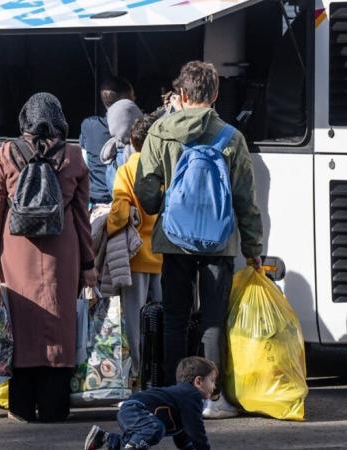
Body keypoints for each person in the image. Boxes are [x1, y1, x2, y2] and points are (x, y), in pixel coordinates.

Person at [134, 61, 263, 418]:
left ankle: (177, 395)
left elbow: (145, 191)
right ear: (216, 94)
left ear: (183, 94)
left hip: (174, 241)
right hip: (219, 244)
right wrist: (254, 250)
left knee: (175, 318)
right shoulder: (231, 137)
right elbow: (245, 201)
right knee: (211, 320)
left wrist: (166, 204)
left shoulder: (159, 132)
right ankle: (211, 399)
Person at [0, 92, 96, 422]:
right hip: (64, 253)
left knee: (20, 325)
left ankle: (21, 407)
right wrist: (88, 265)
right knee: (60, 325)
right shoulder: (73, 156)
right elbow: (81, 218)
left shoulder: (6, 153)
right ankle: (55, 406)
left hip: (16, 252)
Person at [106, 114, 163, 385]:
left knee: (134, 321)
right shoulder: (166, 167)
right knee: (162, 318)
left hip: (137, 257)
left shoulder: (126, 170)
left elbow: (118, 214)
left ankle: (137, 376)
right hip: (164, 256)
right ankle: (161, 372)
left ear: (132, 141)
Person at [84, 356, 217, 450]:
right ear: (198, 381)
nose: (214, 386)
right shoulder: (191, 395)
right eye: (212, 380)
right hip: (136, 408)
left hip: (132, 409)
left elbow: (182, 436)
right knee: (154, 429)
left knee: (141, 437)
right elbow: (196, 432)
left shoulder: (182, 398)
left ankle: (104, 438)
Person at [79, 78, 133, 206]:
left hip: (97, 201)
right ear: (127, 100)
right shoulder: (136, 127)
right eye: (132, 97)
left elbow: (84, 158)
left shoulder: (89, 125)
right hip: (126, 202)